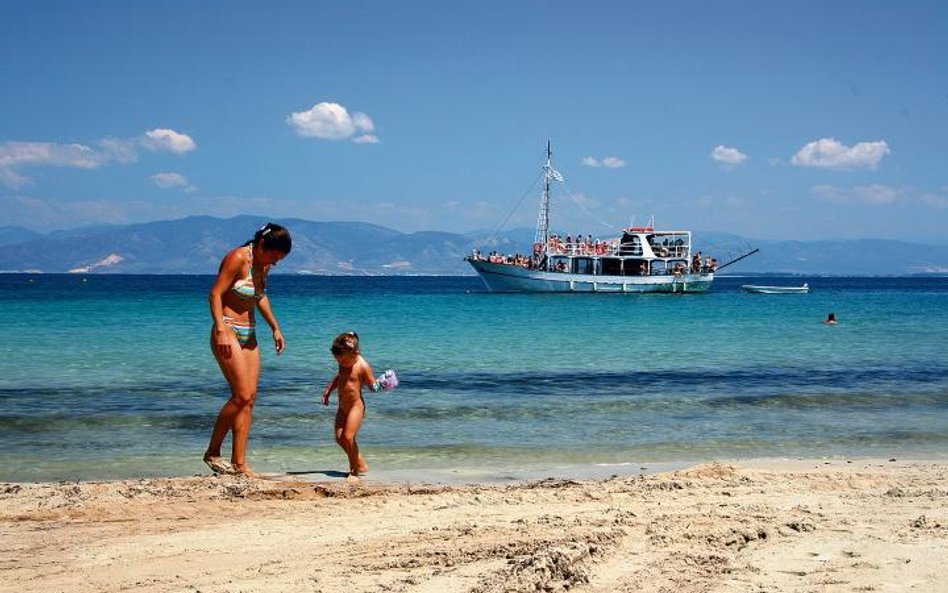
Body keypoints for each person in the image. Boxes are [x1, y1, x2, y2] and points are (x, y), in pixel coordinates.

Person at [203, 222, 292, 476]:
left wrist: (275, 327)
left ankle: (239, 464)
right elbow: (215, 294)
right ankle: (212, 452)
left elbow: (260, 295)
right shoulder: (238, 258)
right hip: (227, 330)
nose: (274, 263)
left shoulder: (262, 265)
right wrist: (219, 327)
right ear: (262, 245)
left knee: (249, 400)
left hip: (250, 334)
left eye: (279, 260)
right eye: (273, 256)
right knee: (240, 395)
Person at [322, 331, 380, 482]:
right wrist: (328, 391)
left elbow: (372, 385)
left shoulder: (363, 366)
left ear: (355, 353)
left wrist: (382, 384)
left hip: (356, 406)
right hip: (342, 406)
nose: (341, 364)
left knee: (348, 437)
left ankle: (354, 472)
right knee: (339, 438)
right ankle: (359, 462)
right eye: (338, 362)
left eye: (344, 362)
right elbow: (339, 377)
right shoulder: (343, 361)